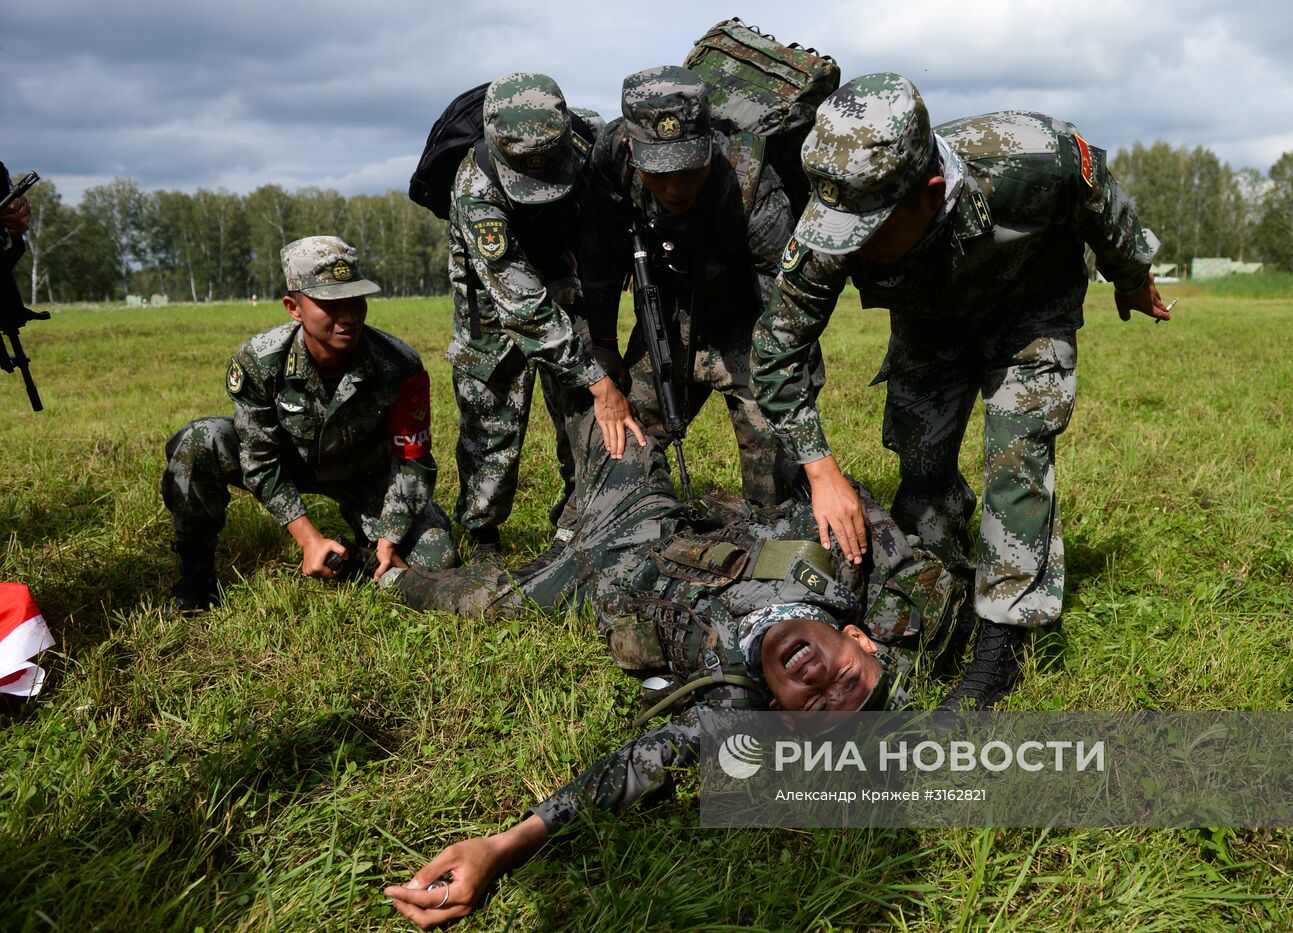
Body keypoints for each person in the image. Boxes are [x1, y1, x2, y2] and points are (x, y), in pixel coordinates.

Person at [380, 399, 966, 927]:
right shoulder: (837, 551)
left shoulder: (734, 701)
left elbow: (636, 767)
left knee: (459, 596)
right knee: (611, 413)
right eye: (843, 680)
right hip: (646, 515)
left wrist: (502, 847)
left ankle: (377, 567)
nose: (818, 682)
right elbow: (917, 575)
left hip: (592, 584)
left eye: (815, 707)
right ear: (858, 637)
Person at [750, 74, 1172, 711]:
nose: (849, 247)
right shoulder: (836, 222)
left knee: (1017, 454)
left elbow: (1099, 201)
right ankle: (937, 591)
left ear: (931, 192)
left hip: (1032, 304)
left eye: (868, 231)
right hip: (929, 321)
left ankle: (1001, 641)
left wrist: (1132, 276)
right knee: (922, 469)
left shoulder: (1029, 156)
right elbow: (776, 349)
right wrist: (820, 468)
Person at [161, 235, 458, 611]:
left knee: (437, 556)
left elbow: (413, 459)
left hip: (362, 473)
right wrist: (307, 539)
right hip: (289, 463)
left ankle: (358, 556)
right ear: (294, 307)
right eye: (331, 303)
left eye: (355, 299)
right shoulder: (259, 362)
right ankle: (196, 577)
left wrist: (390, 536)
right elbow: (260, 460)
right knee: (200, 439)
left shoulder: (398, 363)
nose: (348, 315)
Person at [579, 65, 819, 509]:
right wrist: (604, 346)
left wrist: (788, 409)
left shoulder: (755, 189)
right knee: (618, 438)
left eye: (689, 171)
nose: (674, 189)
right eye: (659, 173)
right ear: (633, 148)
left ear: (710, 143)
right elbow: (598, 258)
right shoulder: (610, 155)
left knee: (774, 482)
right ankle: (594, 525)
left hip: (753, 322)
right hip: (673, 316)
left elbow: (785, 318)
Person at [447, 73, 640, 563]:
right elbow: (522, 307)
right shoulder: (475, 186)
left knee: (582, 419)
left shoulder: (586, 140)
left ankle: (579, 519)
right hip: (493, 305)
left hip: (563, 286)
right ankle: (484, 538)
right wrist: (601, 382)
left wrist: (597, 351)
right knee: (491, 428)